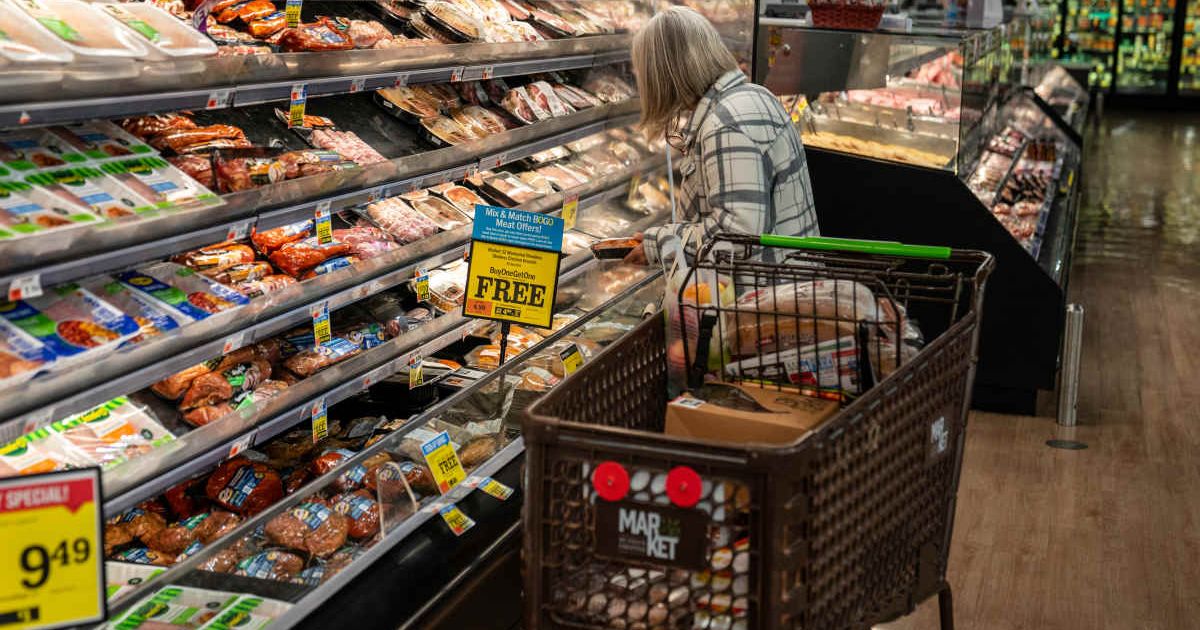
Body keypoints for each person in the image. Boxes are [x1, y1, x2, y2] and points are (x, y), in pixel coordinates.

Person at [623, 6, 819, 266]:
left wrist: (660, 244)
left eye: (642, 71)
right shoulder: (752, 95)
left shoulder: (726, 124)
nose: (640, 80)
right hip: (789, 282)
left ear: (664, 74)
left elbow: (738, 236)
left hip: (761, 294)